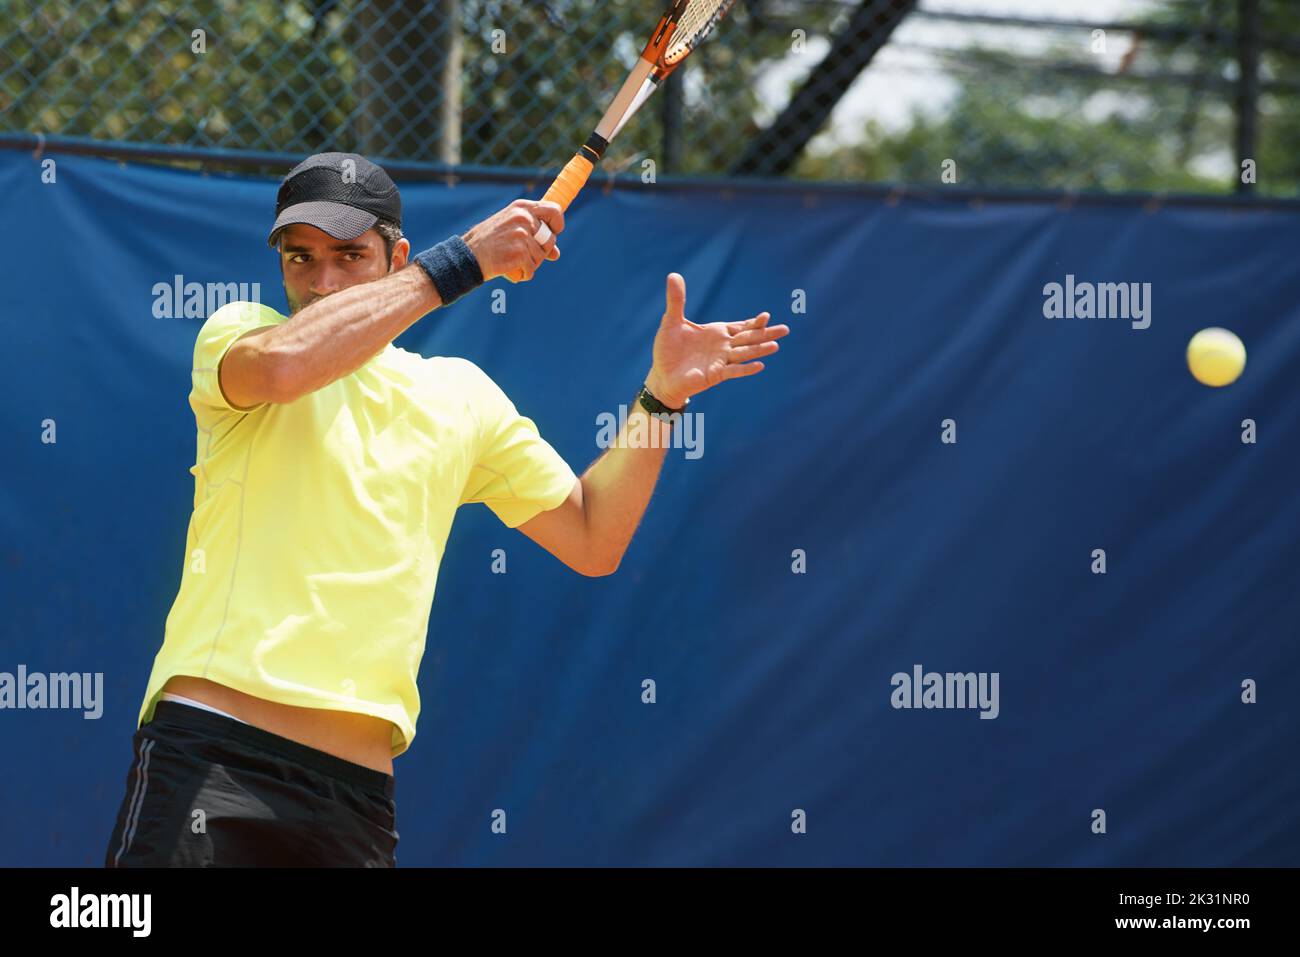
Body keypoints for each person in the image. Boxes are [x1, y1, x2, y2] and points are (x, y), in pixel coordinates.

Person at [104, 151, 789, 866]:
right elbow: (284, 369)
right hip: (213, 752)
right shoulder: (242, 334)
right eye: (301, 258)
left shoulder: (459, 396)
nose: (323, 281)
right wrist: (465, 261)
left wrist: (660, 398)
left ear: (395, 255)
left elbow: (593, 536)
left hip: (354, 797)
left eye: (349, 255)